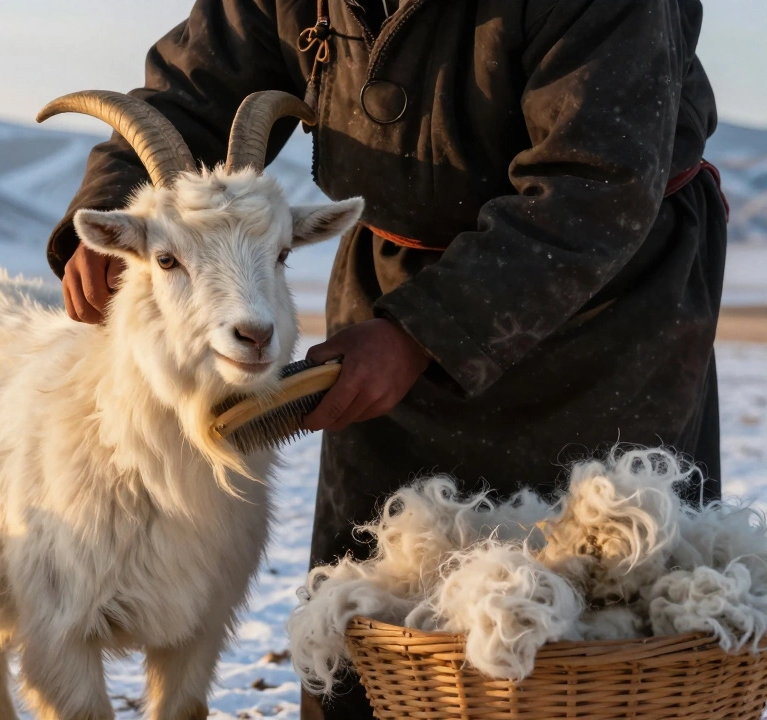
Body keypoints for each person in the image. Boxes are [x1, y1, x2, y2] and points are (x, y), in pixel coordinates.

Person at [47, 0, 726, 717]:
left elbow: (596, 184)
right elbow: (191, 89)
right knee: (372, 619)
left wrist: (421, 333)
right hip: (392, 288)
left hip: (603, 319)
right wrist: (119, 213)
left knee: (598, 610)